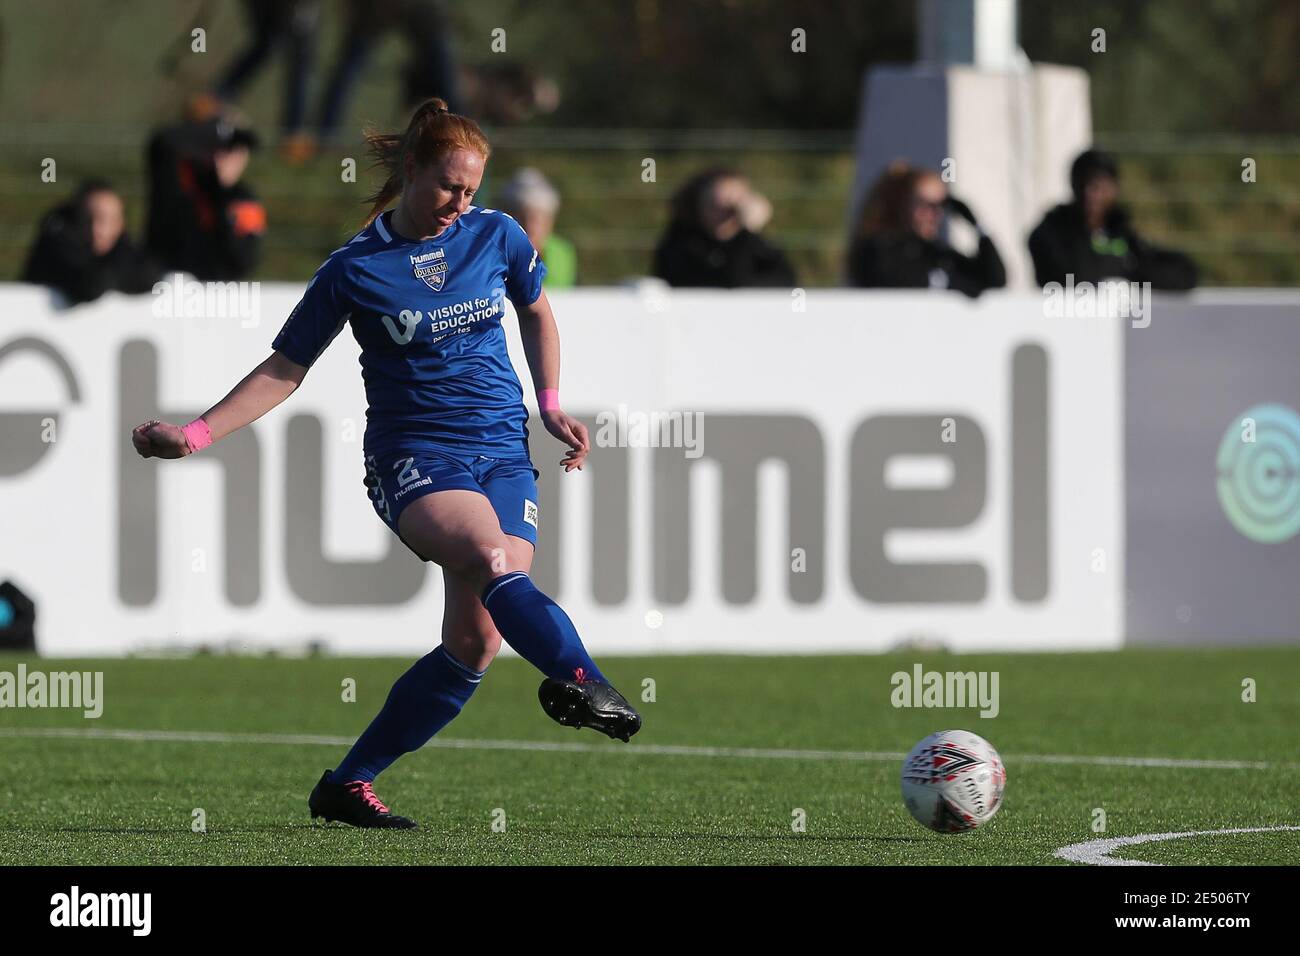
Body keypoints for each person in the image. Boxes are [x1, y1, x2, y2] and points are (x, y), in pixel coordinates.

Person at [129, 99, 641, 830]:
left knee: (476, 641)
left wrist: (551, 400)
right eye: (446, 187)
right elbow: (286, 367)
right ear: (410, 171)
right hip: (416, 456)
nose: (458, 205)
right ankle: (583, 678)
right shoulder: (354, 268)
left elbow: (536, 308)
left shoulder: (496, 236)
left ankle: (348, 784)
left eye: (470, 191)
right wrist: (198, 436)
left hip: (502, 451)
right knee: (495, 559)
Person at [1028, 148, 1198, 290]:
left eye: (1101, 187)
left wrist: (1130, 278)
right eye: (1086, 185)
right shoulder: (1054, 231)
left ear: (1114, 188)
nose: (1093, 195)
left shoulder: (1120, 231)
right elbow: (1066, 278)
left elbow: (1176, 273)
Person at [847, 162, 1005, 298]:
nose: (934, 214)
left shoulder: (935, 253)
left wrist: (977, 225)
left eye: (941, 206)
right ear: (903, 204)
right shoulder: (879, 251)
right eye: (926, 205)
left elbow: (995, 280)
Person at [145, 110, 267, 282]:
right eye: (217, 148)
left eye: (233, 151)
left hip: (214, 292)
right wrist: (216, 130)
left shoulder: (244, 201)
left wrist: (224, 210)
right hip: (168, 284)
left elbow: (243, 261)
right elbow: (162, 143)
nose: (222, 158)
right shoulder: (183, 179)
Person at [652, 167, 797, 288]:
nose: (726, 214)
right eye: (714, 205)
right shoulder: (681, 243)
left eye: (735, 206)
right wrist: (746, 233)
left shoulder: (755, 244)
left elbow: (787, 282)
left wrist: (747, 232)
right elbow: (733, 283)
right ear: (697, 206)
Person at [22, 179, 160, 305]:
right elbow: (90, 286)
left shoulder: (125, 251)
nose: (96, 230)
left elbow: (150, 277)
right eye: (87, 220)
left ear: (120, 223)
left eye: (107, 220)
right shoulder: (56, 246)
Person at [498, 168, 576, 287]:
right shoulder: (495, 251)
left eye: (539, 219)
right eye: (523, 217)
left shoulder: (562, 253)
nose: (530, 227)